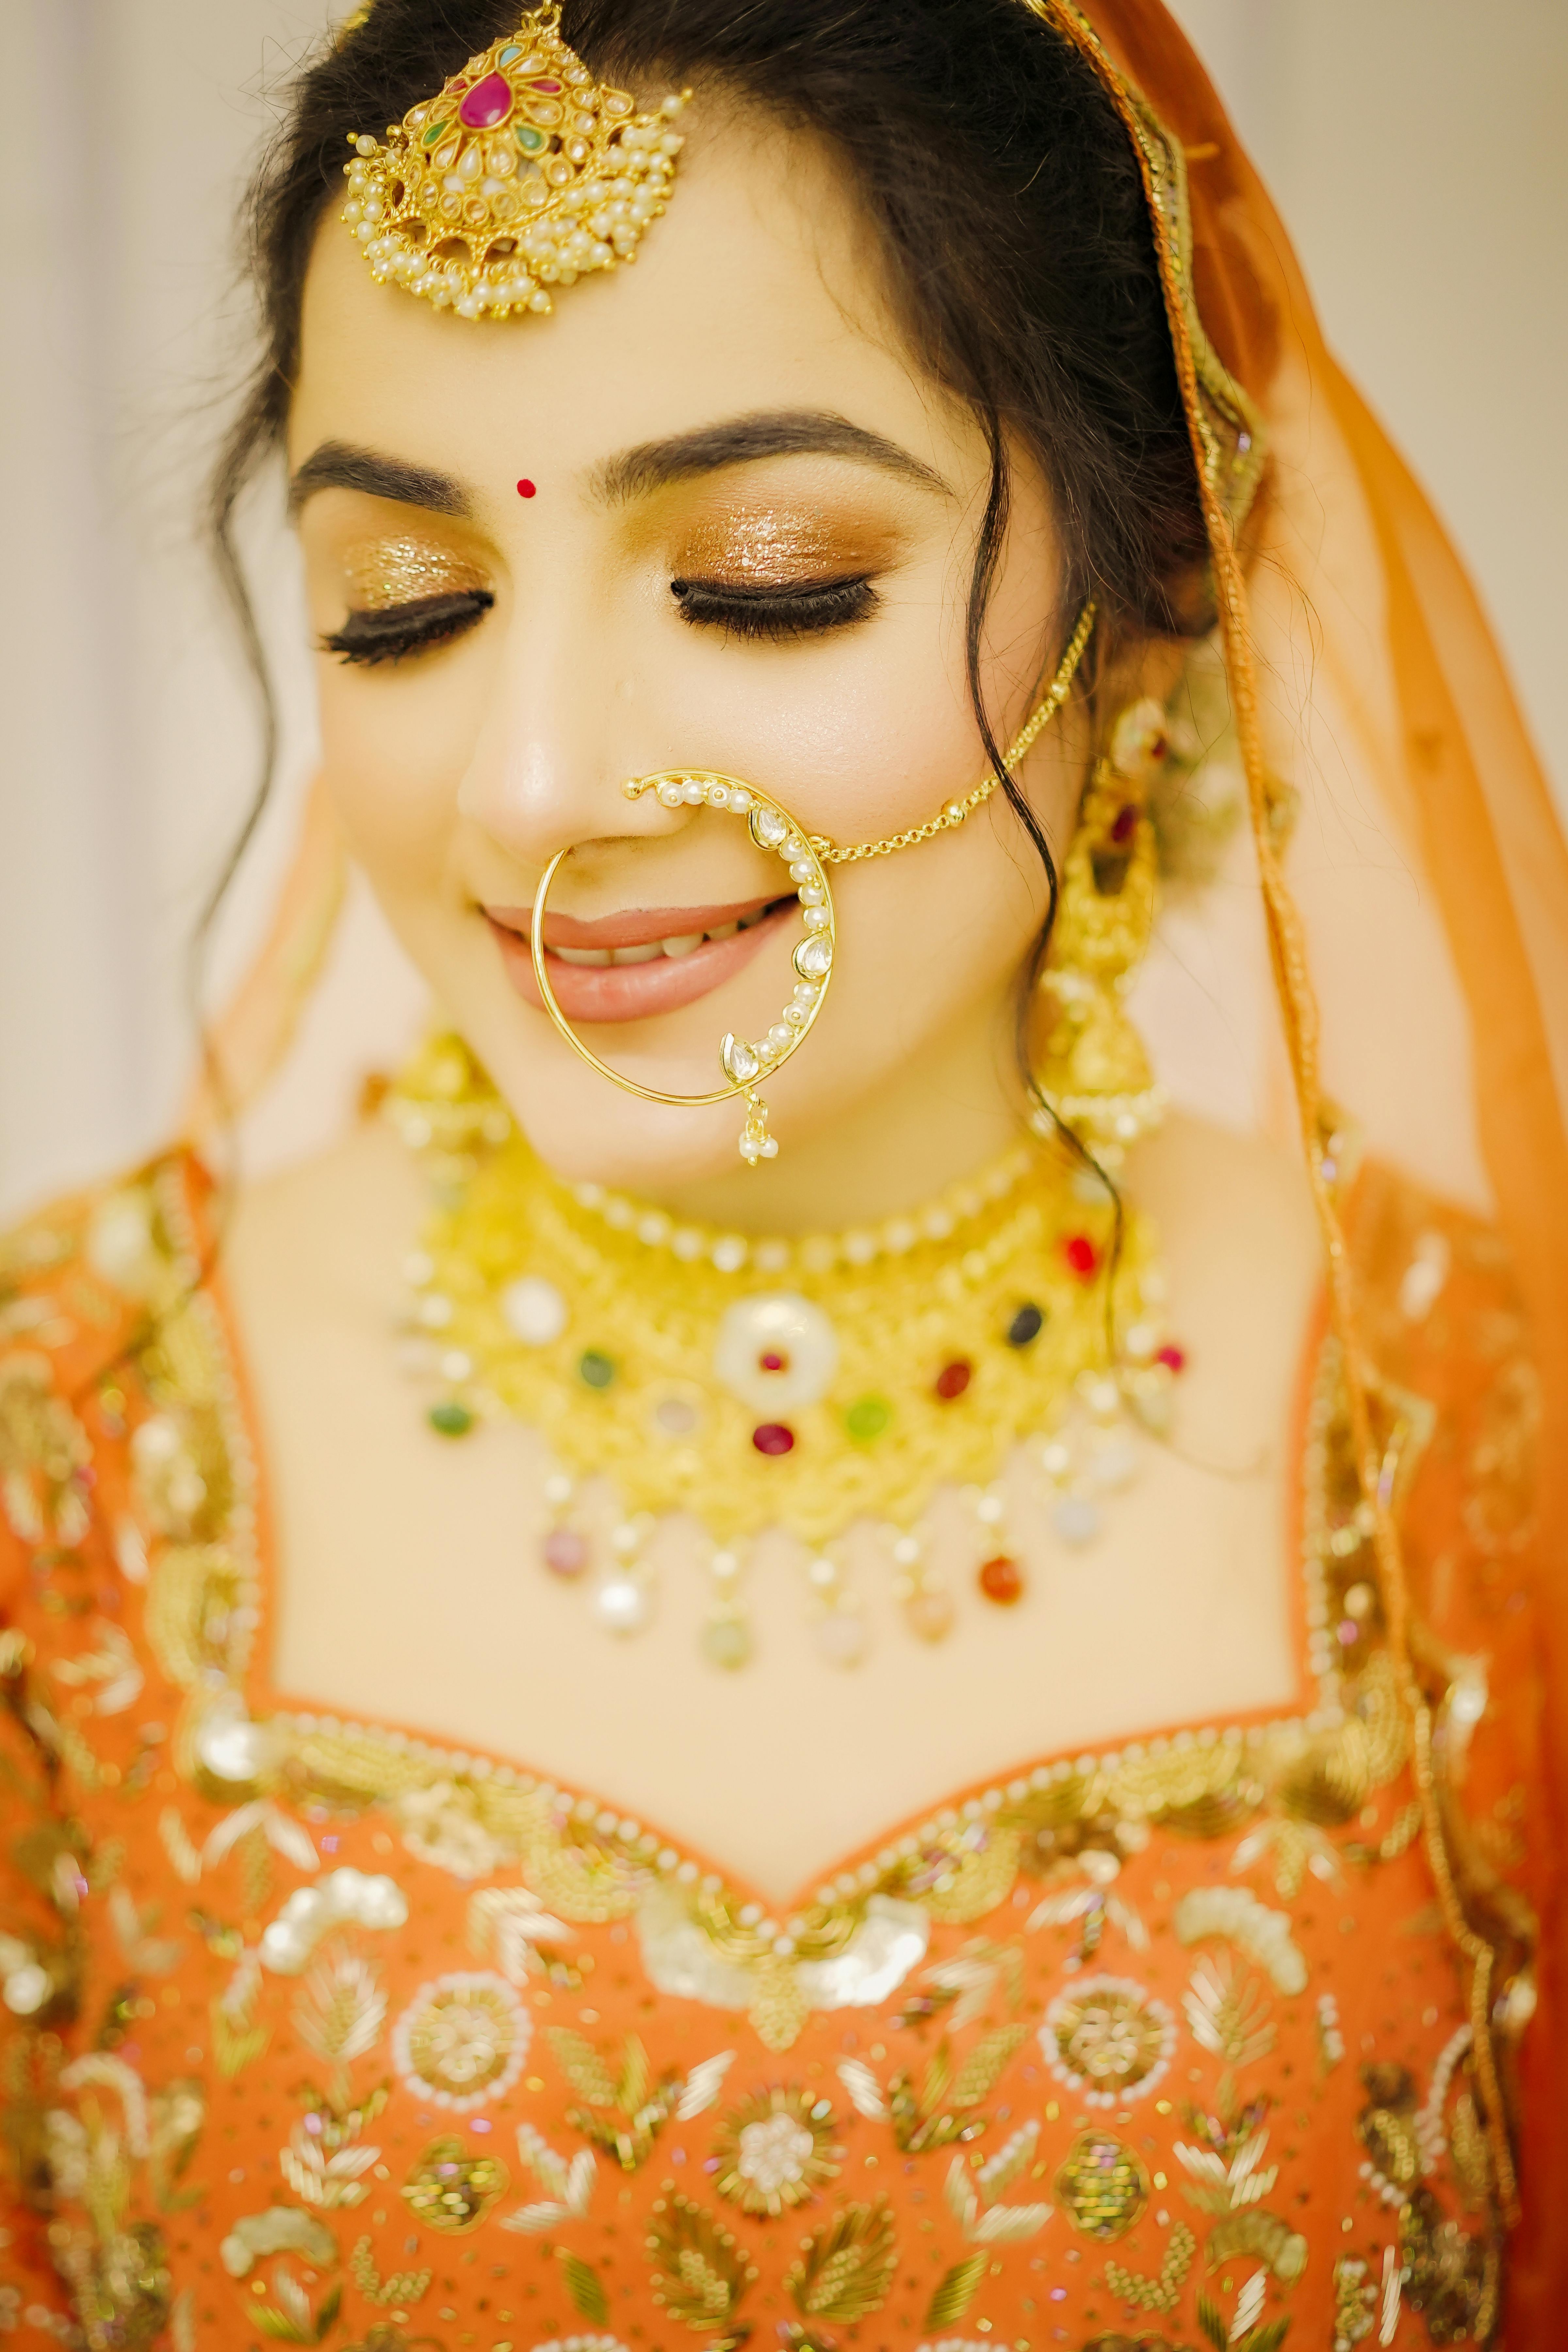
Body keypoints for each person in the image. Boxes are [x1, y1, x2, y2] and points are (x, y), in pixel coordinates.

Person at [2, 1, 1564, 2343]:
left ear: (1160, 581)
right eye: (405, 607)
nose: (531, 789)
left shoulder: (1492, 1460)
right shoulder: (62, 1461)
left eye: (764, 576)